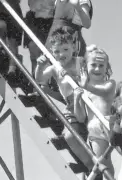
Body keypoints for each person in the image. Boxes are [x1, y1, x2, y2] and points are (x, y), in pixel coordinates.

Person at [35, 27, 91, 169]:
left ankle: (94, 162)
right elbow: (39, 78)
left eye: (65, 49)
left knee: (92, 135)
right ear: (52, 53)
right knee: (70, 137)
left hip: (88, 100)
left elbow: (91, 80)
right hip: (72, 105)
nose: (61, 54)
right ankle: (89, 165)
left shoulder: (81, 61)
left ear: (73, 47)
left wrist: (74, 76)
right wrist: (40, 66)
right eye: (57, 51)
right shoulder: (55, 67)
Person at [73, 45, 116, 180]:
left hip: (111, 126)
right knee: (105, 166)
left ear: (107, 68)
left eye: (101, 65)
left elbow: (104, 92)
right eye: (93, 65)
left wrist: (86, 87)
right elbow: (81, 117)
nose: (97, 69)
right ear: (86, 67)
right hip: (94, 129)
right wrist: (77, 99)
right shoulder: (84, 88)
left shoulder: (109, 84)